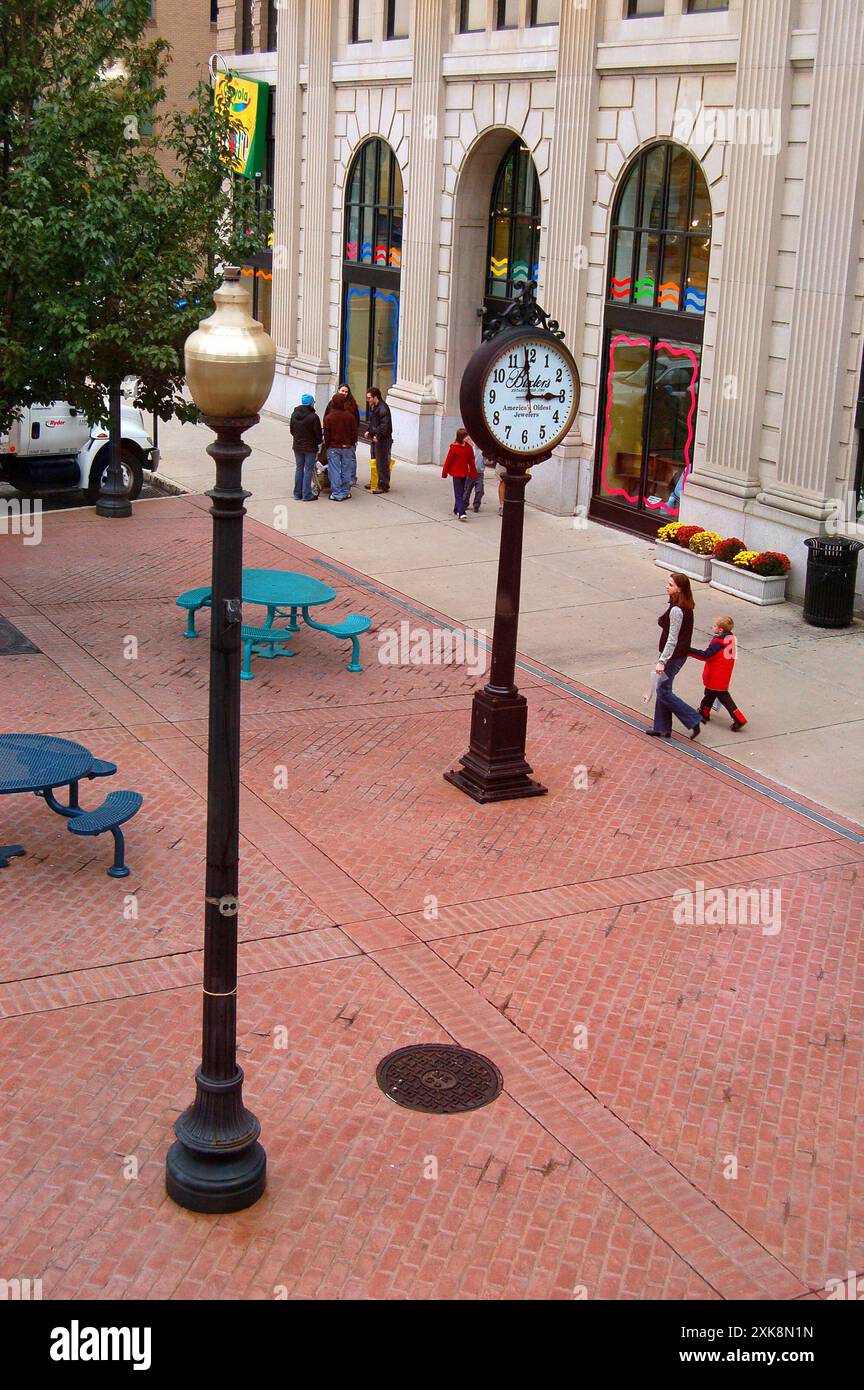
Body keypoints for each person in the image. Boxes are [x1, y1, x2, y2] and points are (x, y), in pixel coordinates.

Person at [646, 572, 702, 740]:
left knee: (663, 690)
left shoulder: (677, 610)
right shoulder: (682, 605)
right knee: (662, 688)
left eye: (670, 585)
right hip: (677, 655)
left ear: (680, 589)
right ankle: (662, 728)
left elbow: (672, 638)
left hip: (673, 656)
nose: (667, 586)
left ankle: (693, 719)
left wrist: (662, 661)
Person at [689, 614, 747, 731]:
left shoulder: (718, 643)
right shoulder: (730, 640)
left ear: (720, 630)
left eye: (714, 626)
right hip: (724, 673)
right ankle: (704, 712)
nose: (713, 627)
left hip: (716, 674)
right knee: (710, 693)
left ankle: (739, 719)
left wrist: (689, 650)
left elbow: (707, 656)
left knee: (724, 698)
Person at [322, 391, 358, 502]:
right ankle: (345, 491)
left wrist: (327, 445)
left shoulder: (329, 418)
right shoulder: (350, 417)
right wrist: (351, 443)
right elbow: (354, 433)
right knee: (346, 470)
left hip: (333, 447)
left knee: (334, 470)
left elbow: (327, 434)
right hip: (347, 446)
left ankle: (336, 492)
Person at [289, 394, 322, 502]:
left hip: (297, 445)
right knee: (308, 469)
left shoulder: (294, 414)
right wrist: (318, 442)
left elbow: (292, 430)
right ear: (311, 403)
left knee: (299, 468)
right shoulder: (313, 417)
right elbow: (318, 434)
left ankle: (297, 493)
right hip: (310, 447)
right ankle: (306, 494)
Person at [441, 428, 477, 522]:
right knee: (458, 493)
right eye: (466, 436)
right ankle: (462, 512)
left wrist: (473, 472)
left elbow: (471, 461)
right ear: (461, 437)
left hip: (464, 473)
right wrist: (444, 473)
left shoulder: (468, 448)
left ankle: (456, 509)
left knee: (461, 492)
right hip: (456, 473)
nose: (468, 437)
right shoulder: (454, 448)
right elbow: (448, 461)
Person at [364, 387, 393, 494]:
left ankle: (383, 484)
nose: (368, 400)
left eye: (369, 398)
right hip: (376, 438)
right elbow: (374, 423)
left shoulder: (383, 409)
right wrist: (369, 431)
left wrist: (377, 436)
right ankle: (375, 481)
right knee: (375, 461)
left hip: (382, 440)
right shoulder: (375, 407)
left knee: (382, 462)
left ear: (375, 397)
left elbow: (385, 426)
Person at [462, 436, 486, 512]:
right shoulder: (471, 450)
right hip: (470, 473)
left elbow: (486, 461)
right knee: (467, 489)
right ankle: (465, 503)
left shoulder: (483, 452)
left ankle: (476, 505)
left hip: (480, 474)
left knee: (479, 490)